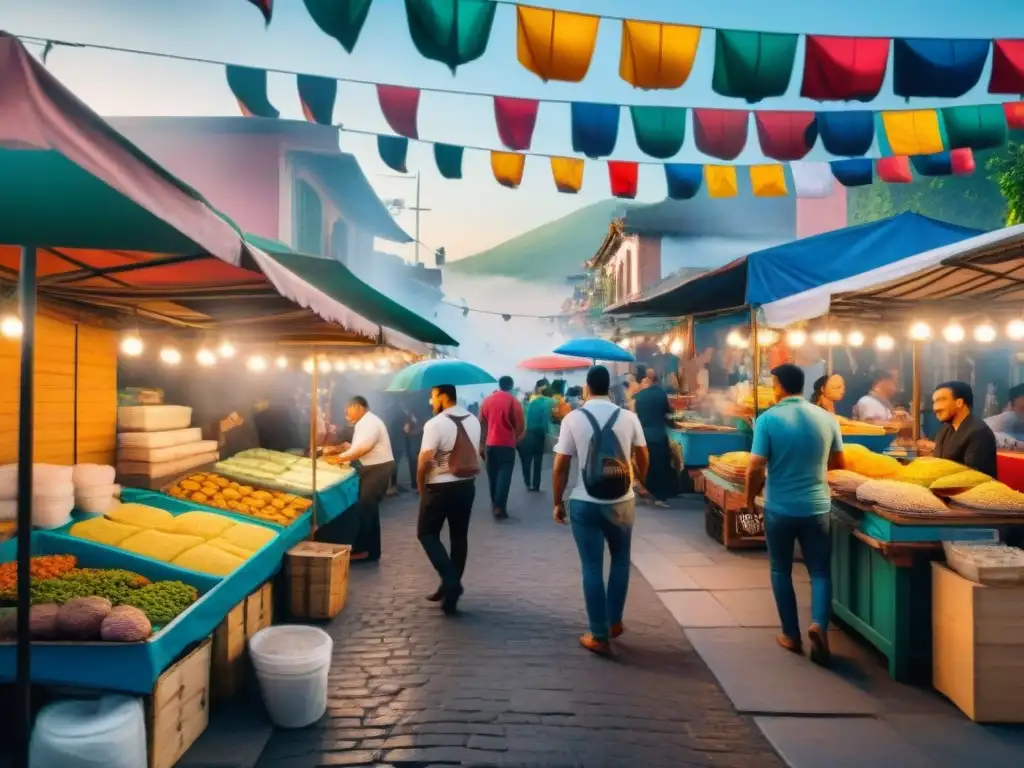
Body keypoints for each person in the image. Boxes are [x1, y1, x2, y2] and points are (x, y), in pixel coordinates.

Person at [745, 364, 845, 667]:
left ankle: (791, 634)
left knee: (780, 570)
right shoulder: (827, 419)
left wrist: (750, 499)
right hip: (817, 507)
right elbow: (839, 463)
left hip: (780, 508)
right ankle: (818, 624)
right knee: (820, 572)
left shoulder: (768, 419)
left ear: (778, 385)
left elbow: (754, 466)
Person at [552, 365, 649, 656]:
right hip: (622, 501)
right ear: (609, 387)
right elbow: (643, 455)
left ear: (586, 387)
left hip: (585, 501)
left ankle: (598, 634)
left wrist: (558, 501)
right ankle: (615, 622)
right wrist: (640, 480)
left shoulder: (573, 418)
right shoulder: (629, 417)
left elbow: (560, 466)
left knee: (591, 566)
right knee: (620, 560)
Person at [418, 384, 482, 613]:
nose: (430, 402)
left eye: (432, 396)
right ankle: (449, 590)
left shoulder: (435, 424)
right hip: (466, 486)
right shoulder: (473, 420)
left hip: (439, 488)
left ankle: (451, 583)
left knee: (426, 534)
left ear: (444, 397)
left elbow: (425, 460)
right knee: (459, 537)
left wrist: (420, 486)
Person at [321, 396, 395, 562]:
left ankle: (363, 549)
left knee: (365, 508)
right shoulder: (365, 423)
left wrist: (338, 459)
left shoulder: (368, 423)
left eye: (348, 410)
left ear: (357, 406)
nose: (346, 414)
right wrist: (339, 450)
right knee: (369, 509)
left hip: (377, 469)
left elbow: (362, 448)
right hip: (374, 467)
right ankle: (372, 550)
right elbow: (355, 447)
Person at [479, 376, 525, 519]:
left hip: (490, 444)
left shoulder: (487, 401)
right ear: (511, 385)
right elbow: (520, 425)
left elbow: (482, 423)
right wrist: (516, 437)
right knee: (504, 476)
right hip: (507, 444)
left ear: (499, 385)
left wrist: (481, 444)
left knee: (492, 476)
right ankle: (500, 506)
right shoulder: (513, 401)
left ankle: (495, 504)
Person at [932, 381, 998, 477]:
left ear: (959, 403)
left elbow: (972, 478)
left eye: (941, 400)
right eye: (934, 402)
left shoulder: (979, 433)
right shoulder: (945, 430)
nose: (935, 408)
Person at [633, 369, 673, 506]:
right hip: (659, 434)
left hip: (643, 435)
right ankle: (659, 498)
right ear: (655, 380)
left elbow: (636, 414)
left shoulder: (639, 396)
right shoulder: (661, 394)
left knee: (645, 464)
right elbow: (668, 411)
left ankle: (646, 492)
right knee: (660, 466)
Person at [520, 386, 555, 492]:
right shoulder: (548, 403)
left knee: (527, 460)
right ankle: (536, 485)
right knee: (538, 460)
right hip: (538, 433)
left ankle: (527, 482)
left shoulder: (532, 402)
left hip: (527, 432)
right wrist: (547, 433)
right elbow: (545, 421)